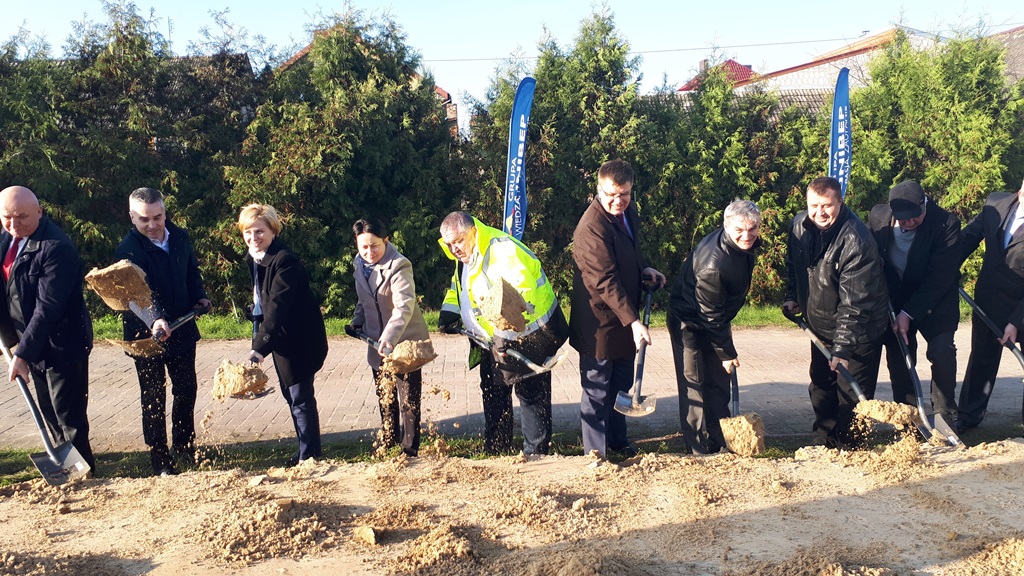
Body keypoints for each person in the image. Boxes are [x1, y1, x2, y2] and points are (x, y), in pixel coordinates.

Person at [437, 211, 568, 455]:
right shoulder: (465, 254)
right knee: (493, 391)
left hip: (528, 334)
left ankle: (536, 454)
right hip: (489, 339)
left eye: (458, 241)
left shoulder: (503, 250)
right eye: (449, 244)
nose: (454, 249)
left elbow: (519, 294)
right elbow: (461, 286)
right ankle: (497, 449)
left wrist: (503, 337)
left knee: (531, 394)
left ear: (473, 231)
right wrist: (450, 311)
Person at [783, 176, 889, 448]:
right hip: (821, 327)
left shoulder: (856, 241)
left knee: (850, 393)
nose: (820, 212)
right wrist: (792, 296)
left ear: (840, 202)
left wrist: (842, 348)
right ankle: (824, 440)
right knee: (821, 386)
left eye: (827, 205)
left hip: (859, 332)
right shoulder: (799, 226)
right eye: (814, 205)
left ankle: (853, 446)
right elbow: (794, 266)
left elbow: (855, 304)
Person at [570, 159, 666, 458]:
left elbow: (629, 251)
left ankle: (617, 441)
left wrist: (643, 268)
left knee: (621, 384)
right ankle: (596, 453)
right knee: (598, 389)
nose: (618, 201)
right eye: (611, 194)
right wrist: (634, 322)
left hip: (623, 317)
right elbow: (605, 280)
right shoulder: (591, 227)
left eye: (624, 194)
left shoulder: (627, 212)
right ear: (598, 190)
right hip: (599, 322)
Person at [115, 187, 211, 476]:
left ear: (164, 212)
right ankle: (159, 457)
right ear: (132, 217)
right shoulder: (127, 250)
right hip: (146, 336)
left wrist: (200, 296)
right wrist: (155, 318)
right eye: (144, 219)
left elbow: (191, 272)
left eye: (157, 217)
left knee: (186, 389)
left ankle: (184, 447)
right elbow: (135, 294)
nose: (152, 225)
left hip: (182, 327)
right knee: (154, 396)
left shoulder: (180, 237)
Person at [0, 186, 95, 471]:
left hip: (62, 345)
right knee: (50, 413)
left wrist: (23, 354)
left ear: (39, 212)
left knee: (68, 417)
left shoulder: (56, 247)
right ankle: (67, 468)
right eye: (7, 217)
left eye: (21, 217)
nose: (13, 224)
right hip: (33, 343)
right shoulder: (7, 238)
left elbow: (47, 309)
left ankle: (86, 474)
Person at [668, 199, 761, 455]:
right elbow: (710, 315)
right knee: (694, 387)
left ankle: (721, 441)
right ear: (726, 227)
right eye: (740, 230)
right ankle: (697, 450)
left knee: (719, 384)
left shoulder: (739, 245)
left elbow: (715, 315)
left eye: (752, 229)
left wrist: (723, 353)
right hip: (689, 324)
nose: (747, 236)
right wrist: (727, 352)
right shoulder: (713, 265)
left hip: (714, 320)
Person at [238, 204, 328, 466]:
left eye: (259, 231)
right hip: (280, 337)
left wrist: (258, 349)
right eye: (248, 232)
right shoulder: (255, 257)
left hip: (299, 338)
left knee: (299, 396)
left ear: (273, 231)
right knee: (291, 395)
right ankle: (305, 450)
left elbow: (278, 306)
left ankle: (310, 455)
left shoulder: (285, 261)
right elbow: (264, 296)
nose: (253, 237)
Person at [868, 180, 961, 427]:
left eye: (914, 217)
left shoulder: (946, 224)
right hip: (896, 298)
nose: (909, 223)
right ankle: (908, 418)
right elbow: (872, 260)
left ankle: (944, 417)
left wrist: (909, 313)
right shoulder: (878, 217)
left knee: (942, 352)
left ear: (924, 205)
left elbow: (940, 278)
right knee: (901, 357)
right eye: (903, 219)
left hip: (936, 300)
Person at [347, 217, 428, 457]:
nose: (369, 252)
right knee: (385, 394)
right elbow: (364, 300)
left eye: (375, 245)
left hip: (403, 342)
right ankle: (389, 439)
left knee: (408, 399)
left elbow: (405, 305)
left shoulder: (399, 265)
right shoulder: (359, 264)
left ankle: (409, 449)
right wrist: (357, 321)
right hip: (376, 343)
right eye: (364, 247)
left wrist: (390, 337)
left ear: (386, 240)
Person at [957, 178, 1024, 433]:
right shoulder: (995, 204)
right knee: (982, 360)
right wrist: (945, 269)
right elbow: (966, 239)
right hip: (989, 301)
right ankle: (968, 416)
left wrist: (1016, 322)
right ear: (1020, 192)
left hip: (1021, 306)